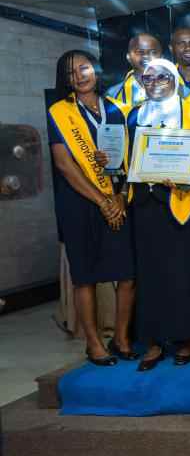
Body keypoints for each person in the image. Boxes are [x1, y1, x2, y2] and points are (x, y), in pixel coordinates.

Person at [47, 50, 135, 366]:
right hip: (79, 202)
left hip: (116, 199)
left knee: (126, 274)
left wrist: (120, 198)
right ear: (65, 79)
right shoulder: (59, 111)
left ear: (95, 71)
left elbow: (129, 160)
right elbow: (65, 165)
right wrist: (102, 202)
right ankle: (94, 343)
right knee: (85, 276)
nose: (80, 76)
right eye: (72, 73)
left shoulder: (117, 109)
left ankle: (122, 337)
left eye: (84, 68)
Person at [122, 58, 190, 368]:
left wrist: (186, 176)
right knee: (150, 273)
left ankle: (186, 338)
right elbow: (127, 159)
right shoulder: (133, 115)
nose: (155, 82)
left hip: (180, 201)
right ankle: (155, 341)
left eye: (162, 76)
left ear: (173, 77)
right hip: (143, 204)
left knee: (181, 271)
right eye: (147, 78)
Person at [106, 32, 163, 108]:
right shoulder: (113, 93)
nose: (146, 56)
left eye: (153, 52)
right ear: (128, 57)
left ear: (162, 57)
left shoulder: (177, 87)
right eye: (139, 52)